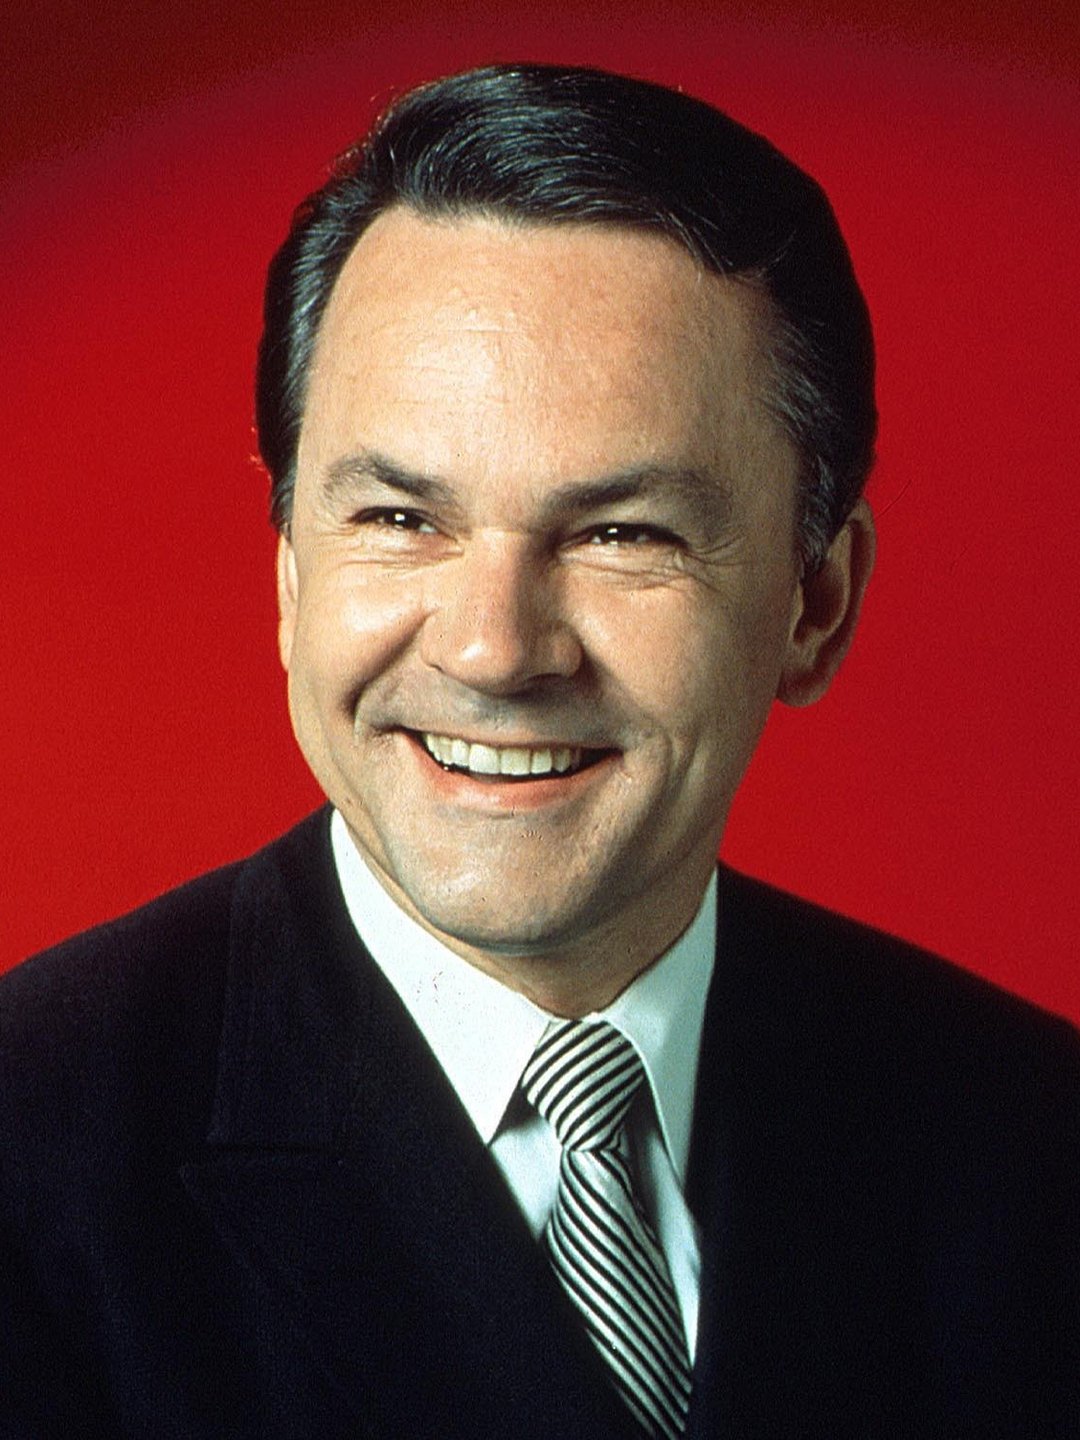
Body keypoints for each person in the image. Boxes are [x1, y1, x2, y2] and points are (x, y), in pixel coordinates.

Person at [1, 63, 1076, 1440]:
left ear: (816, 602)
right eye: (400, 519)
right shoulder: (31, 1158)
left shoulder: (1036, 1150)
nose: (494, 650)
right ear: (289, 576)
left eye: (624, 533)